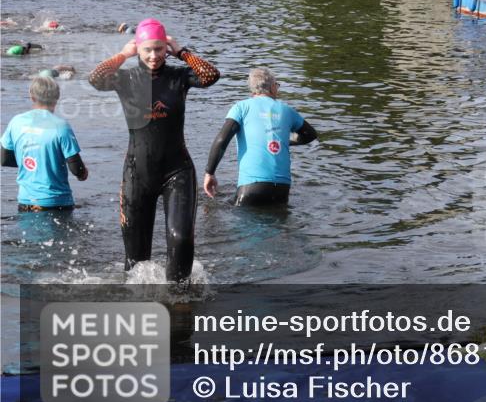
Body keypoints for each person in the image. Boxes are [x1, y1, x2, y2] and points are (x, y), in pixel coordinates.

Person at [89, 18, 220, 282]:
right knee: (136, 259)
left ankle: (180, 301)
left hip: (177, 171)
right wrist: (123, 54)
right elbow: (95, 79)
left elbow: (211, 75)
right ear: (138, 48)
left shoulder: (178, 77)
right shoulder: (125, 79)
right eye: (147, 49)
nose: (153, 55)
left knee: (181, 239)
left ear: (166, 48)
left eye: (159, 49)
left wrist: (182, 52)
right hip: (137, 174)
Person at [203, 68, 316, 207]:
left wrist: (210, 172)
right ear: (272, 87)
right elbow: (310, 135)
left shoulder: (241, 107)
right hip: (282, 189)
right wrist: (286, 142)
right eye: (277, 85)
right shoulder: (287, 110)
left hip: (251, 187)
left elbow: (222, 140)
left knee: (223, 210)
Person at [1, 76, 88, 212]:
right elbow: (78, 170)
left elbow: (4, 159)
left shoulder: (16, 122)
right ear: (57, 97)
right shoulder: (61, 127)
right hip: (57, 202)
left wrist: (32, 163)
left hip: (26, 202)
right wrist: (83, 174)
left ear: (31, 96)